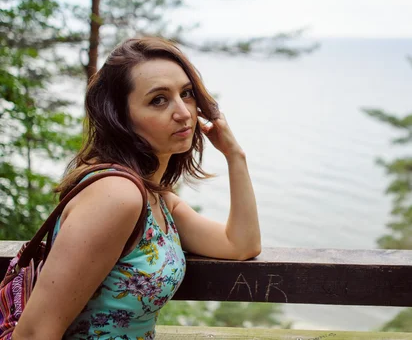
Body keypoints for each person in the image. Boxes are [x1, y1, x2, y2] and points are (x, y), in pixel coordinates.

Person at [12, 37, 261, 339]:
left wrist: (235, 156)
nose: (183, 112)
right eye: (158, 99)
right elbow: (35, 332)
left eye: (187, 94)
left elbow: (240, 245)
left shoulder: (155, 196)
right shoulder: (117, 196)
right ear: (121, 118)